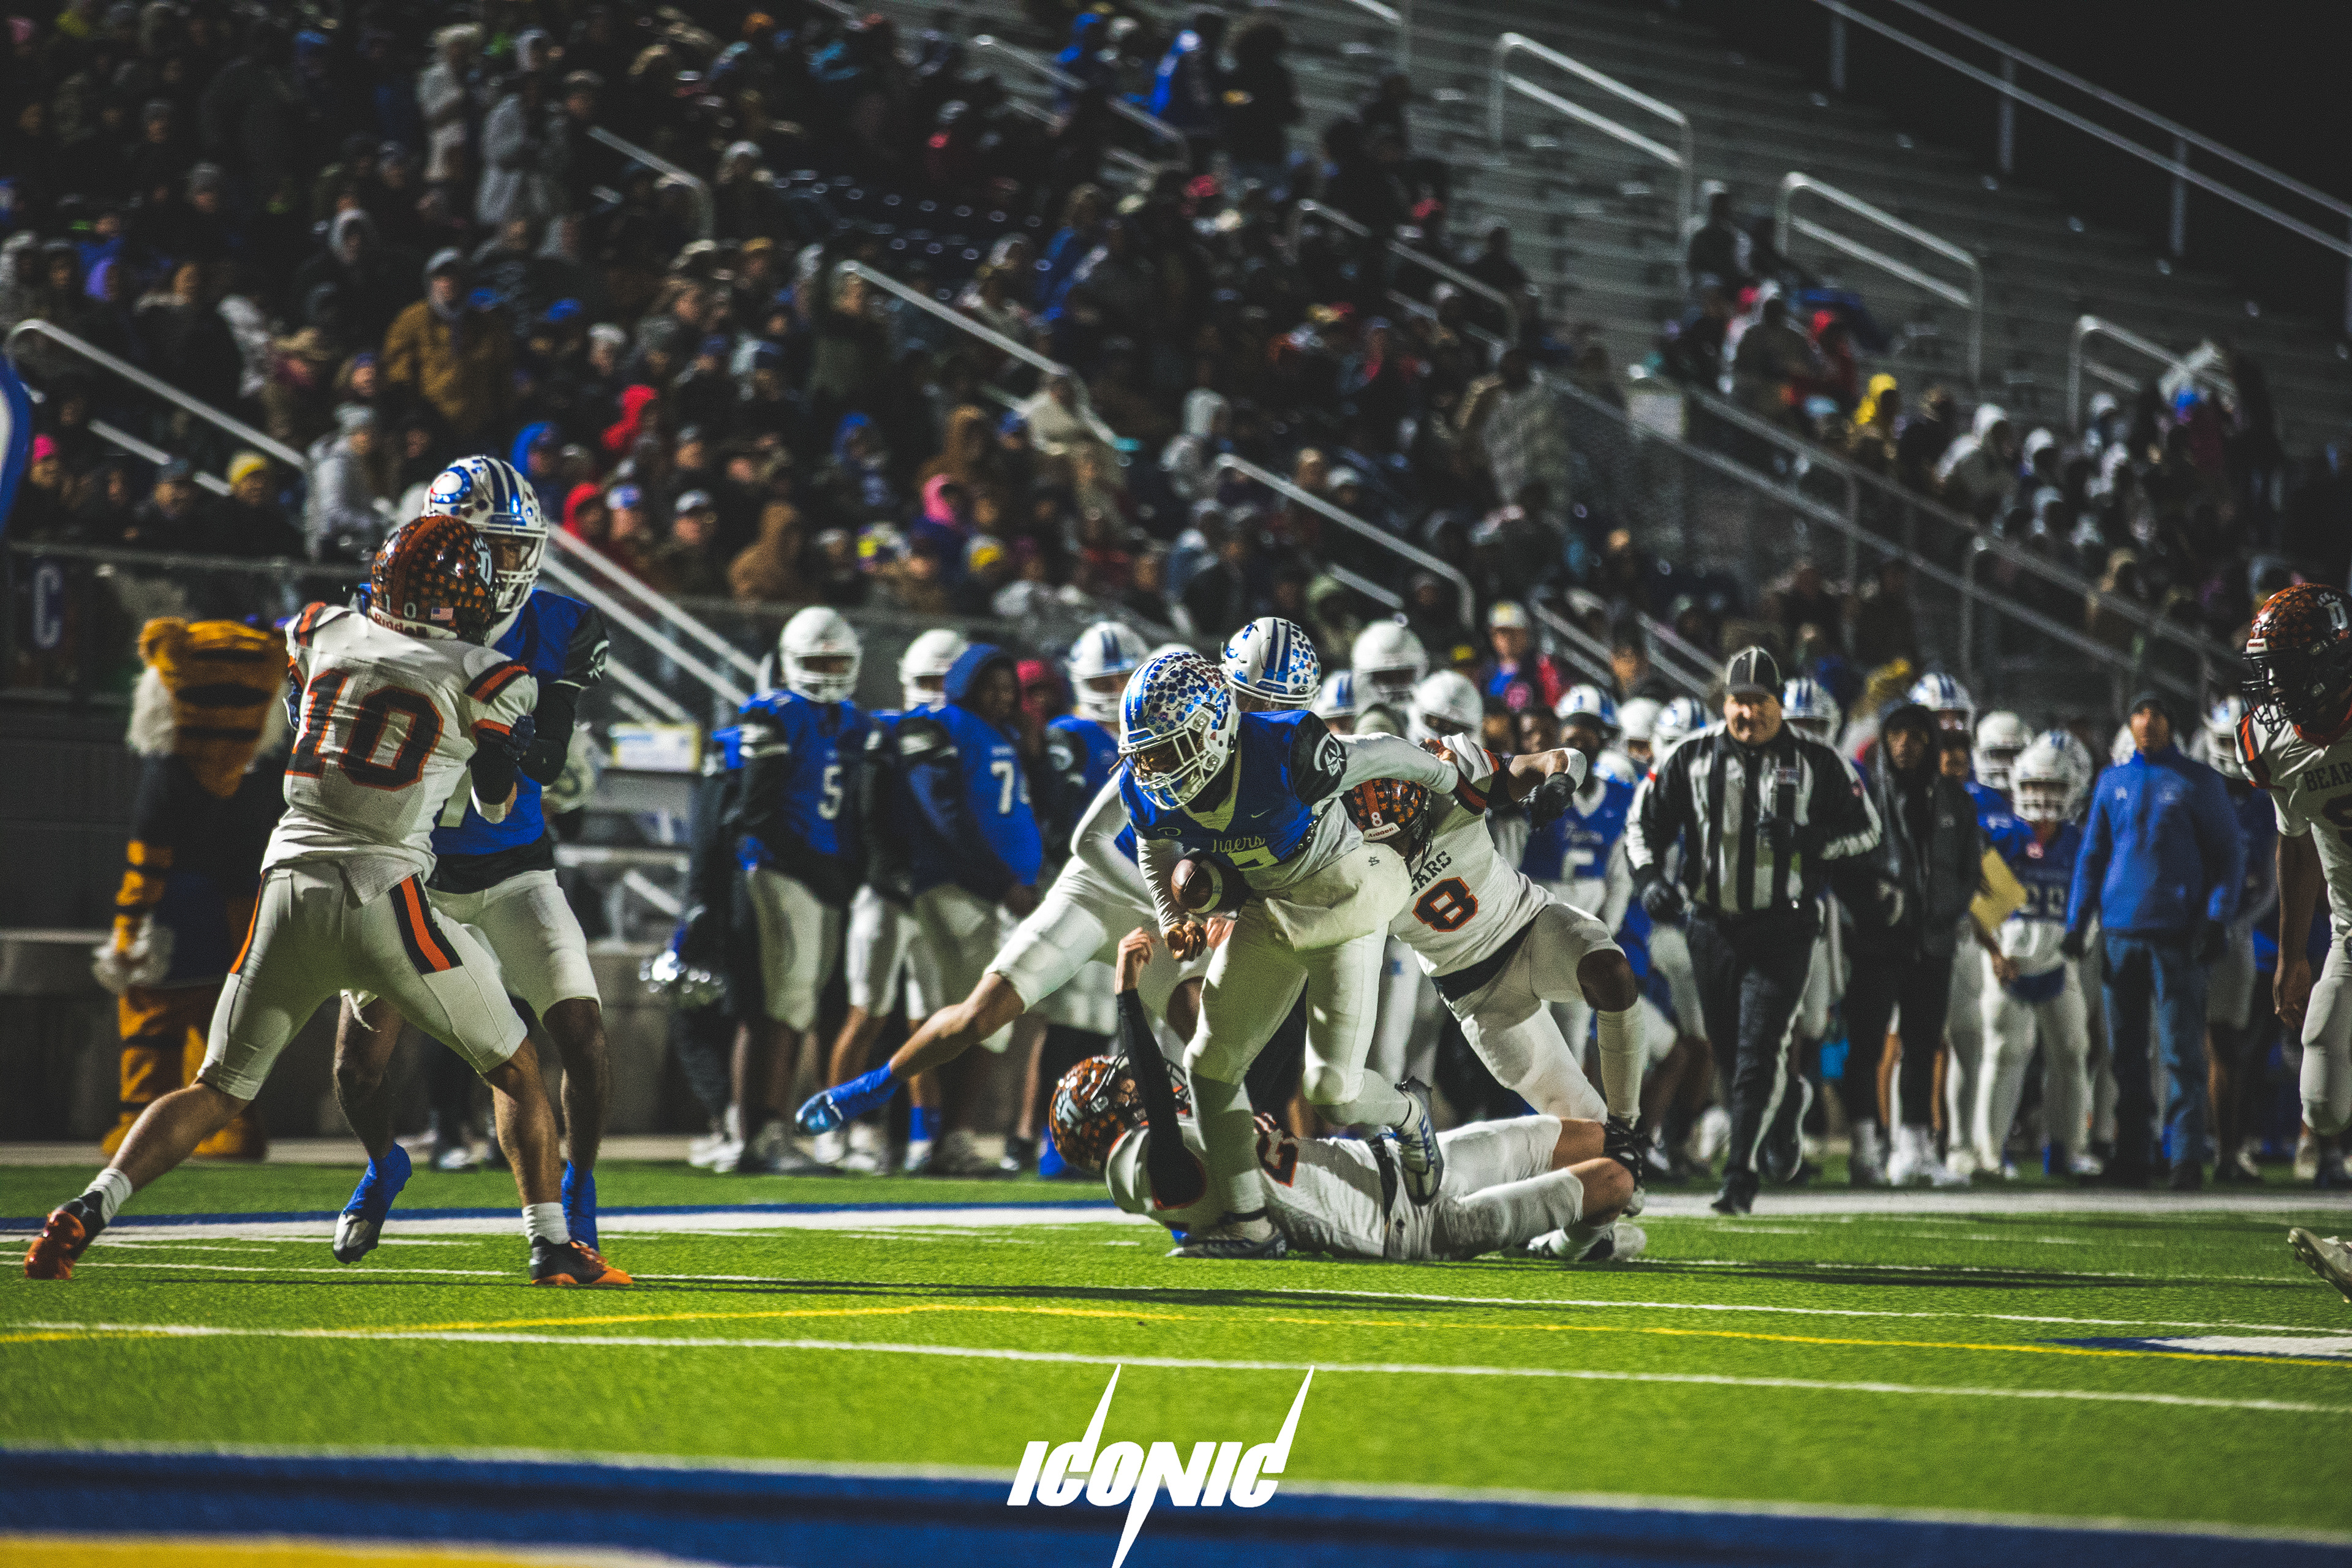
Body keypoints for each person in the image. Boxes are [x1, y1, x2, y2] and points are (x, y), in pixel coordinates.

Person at [25, 517, 621, 1289]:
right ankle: (551, 1244)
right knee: (515, 1065)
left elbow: (308, 700)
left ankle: (85, 1210)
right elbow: (497, 804)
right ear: (468, 598)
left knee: (216, 1088)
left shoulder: (319, 629)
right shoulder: (487, 674)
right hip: (386, 894)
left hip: (287, 884)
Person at [334, 456, 616, 1245]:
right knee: (357, 1066)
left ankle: (579, 1188)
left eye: (518, 546)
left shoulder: (560, 627)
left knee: (582, 1035)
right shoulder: (384, 613)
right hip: (408, 867)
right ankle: (384, 1163)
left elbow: (547, 762)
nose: (509, 564)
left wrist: (501, 731)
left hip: (514, 865)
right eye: (491, 546)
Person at [1122, 650, 1468, 1257]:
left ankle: (1410, 1113)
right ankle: (1249, 1222)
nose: (1156, 767)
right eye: (1147, 753)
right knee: (1210, 1064)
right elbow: (1155, 849)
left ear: (1214, 727)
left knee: (1332, 1091)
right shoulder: (1146, 788)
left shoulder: (1285, 749)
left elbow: (1381, 752)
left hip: (1345, 890)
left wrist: (1451, 782)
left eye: (1170, 748)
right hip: (1271, 906)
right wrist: (1174, 917)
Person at [1069, 930, 1646, 1264]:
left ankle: (1565, 1236)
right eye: (1124, 1090)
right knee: (1615, 1182)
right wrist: (1126, 995)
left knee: (1603, 1141)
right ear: (1109, 1123)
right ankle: (1558, 1248)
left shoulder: (1197, 1141)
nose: (1141, 1086)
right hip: (1413, 1224)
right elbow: (1161, 1118)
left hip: (1386, 1160)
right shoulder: (1151, 1173)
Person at [1626, 647, 1893, 1215]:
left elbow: (1868, 831)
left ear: (1779, 704)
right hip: (1711, 927)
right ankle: (1785, 1104)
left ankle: (1740, 1174)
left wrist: (1811, 841)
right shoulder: (1690, 755)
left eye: (1760, 702)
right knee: (1728, 1052)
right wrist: (1649, 879)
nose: (1748, 713)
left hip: (1784, 925)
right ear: (1725, 705)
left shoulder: (1818, 761)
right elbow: (1642, 821)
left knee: (1758, 1049)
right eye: (1739, 702)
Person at [89, 619, 289, 1163]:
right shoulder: (261, 775)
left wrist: (128, 927)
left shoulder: (169, 774)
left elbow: (148, 859)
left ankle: (139, 1127)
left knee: (151, 1024)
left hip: (173, 914)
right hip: (239, 916)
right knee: (224, 1034)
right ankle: (235, 1128)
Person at [800, 628, 968, 1175]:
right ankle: (833, 1129)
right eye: (927, 680)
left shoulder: (968, 736)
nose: (936, 691)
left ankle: (924, 1140)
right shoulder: (886, 733)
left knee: (931, 1026)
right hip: (889, 895)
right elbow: (869, 817)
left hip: (936, 896)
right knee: (865, 1016)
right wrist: (894, 877)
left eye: (946, 680)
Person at [2065, 690, 2244, 1188]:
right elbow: (2092, 856)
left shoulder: (2198, 781)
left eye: (2157, 713)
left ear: (2171, 723)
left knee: (2181, 1051)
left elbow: (2230, 856)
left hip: (2177, 934)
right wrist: (2077, 923)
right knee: (2125, 1053)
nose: (2147, 722)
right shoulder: (2112, 781)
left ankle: (2185, 1155)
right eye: (2139, 713)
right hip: (2121, 931)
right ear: (2130, 723)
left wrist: (2217, 918)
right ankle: (2133, 1153)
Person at [710, 607, 867, 1174]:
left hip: (823, 874)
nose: (828, 673)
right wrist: (815, 867)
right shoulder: (775, 713)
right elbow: (756, 812)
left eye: (837, 663)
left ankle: (767, 1128)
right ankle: (762, 1129)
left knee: (800, 1002)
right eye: (817, 663)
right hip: (781, 870)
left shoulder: (852, 721)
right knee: (784, 1003)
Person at [895, 642, 1046, 1174]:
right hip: (964, 888)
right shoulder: (941, 725)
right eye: (992, 688)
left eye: (1010, 690)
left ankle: (942, 1135)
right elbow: (947, 814)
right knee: (975, 1018)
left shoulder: (1003, 734)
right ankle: (945, 1135)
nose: (1003, 698)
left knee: (972, 1017)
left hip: (991, 891)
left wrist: (1033, 750)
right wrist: (1001, 883)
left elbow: (1030, 804)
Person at [1839, 704, 1985, 1189]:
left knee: (1923, 1046)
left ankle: (1914, 1149)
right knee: (1867, 1045)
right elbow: (1846, 864)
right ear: (1884, 740)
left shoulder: (1954, 799)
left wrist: (1943, 913)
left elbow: (1969, 871)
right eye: (1897, 734)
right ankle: (1865, 1148)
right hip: (1879, 941)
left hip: (1932, 941)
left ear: (1931, 742)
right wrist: (1875, 909)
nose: (1906, 744)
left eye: (1916, 735)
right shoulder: (1865, 796)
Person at [1975, 731, 2100, 1178]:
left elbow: (2090, 903)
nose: (2042, 797)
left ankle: (2068, 1150)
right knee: (2004, 1053)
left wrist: (2079, 943)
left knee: (2072, 1052)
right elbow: (1983, 906)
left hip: (2060, 962)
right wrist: (1994, 952)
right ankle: (1989, 1154)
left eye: (2053, 787)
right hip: (2010, 962)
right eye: (2033, 786)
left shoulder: (2079, 841)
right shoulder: (2004, 837)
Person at [1482, 600, 1569, 716]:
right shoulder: (1486, 672)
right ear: (1492, 636)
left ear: (1526, 633)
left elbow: (1555, 707)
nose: (1507, 638)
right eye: (1501, 632)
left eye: (1513, 632)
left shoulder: (1543, 668)